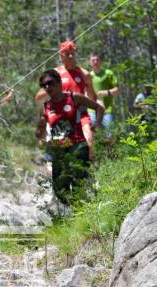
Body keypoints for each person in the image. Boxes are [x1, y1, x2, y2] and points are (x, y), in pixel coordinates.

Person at [36, 69, 104, 204]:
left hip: (78, 145)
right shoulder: (46, 107)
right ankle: (72, 214)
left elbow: (99, 108)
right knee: (59, 189)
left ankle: (83, 213)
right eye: (44, 85)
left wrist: (97, 125)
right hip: (58, 150)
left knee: (79, 182)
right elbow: (40, 133)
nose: (48, 87)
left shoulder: (74, 97)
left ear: (59, 82)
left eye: (50, 83)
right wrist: (40, 133)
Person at [89, 52, 120, 136]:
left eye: (97, 60)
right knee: (92, 135)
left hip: (107, 110)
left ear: (101, 61)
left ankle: (110, 149)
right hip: (92, 110)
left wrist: (106, 92)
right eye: (93, 60)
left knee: (110, 136)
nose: (95, 62)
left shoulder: (108, 73)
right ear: (90, 62)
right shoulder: (88, 76)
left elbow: (117, 90)